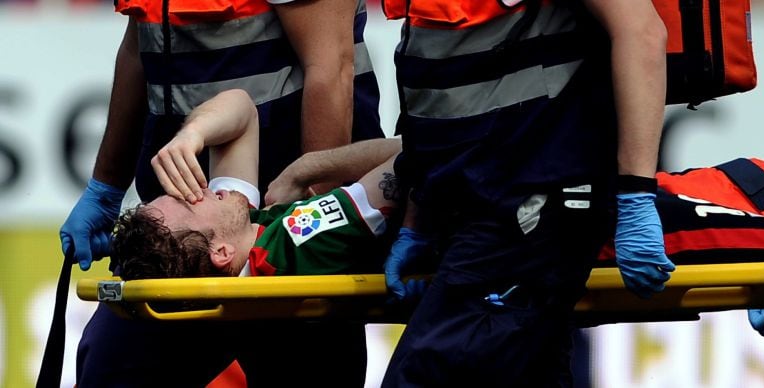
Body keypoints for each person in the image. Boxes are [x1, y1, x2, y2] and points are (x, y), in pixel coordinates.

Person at [60, 0, 384, 385]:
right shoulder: (208, 205)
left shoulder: (280, 233)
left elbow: (331, 67)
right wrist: (106, 186)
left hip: (277, 205)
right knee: (113, 369)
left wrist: (313, 217)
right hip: (199, 208)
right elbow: (139, 44)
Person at [379, 1, 675, 386]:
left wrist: (636, 195)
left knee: (424, 376)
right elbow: (434, 88)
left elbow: (642, 33)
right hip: (477, 208)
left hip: (530, 205)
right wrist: (418, 217)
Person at [111, 89, 404, 284]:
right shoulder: (296, 245)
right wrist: (304, 170)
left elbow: (240, 106)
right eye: (188, 200)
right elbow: (415, 155)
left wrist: (193, 134)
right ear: (221, 252)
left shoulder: (242, 247)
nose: (199, 188)